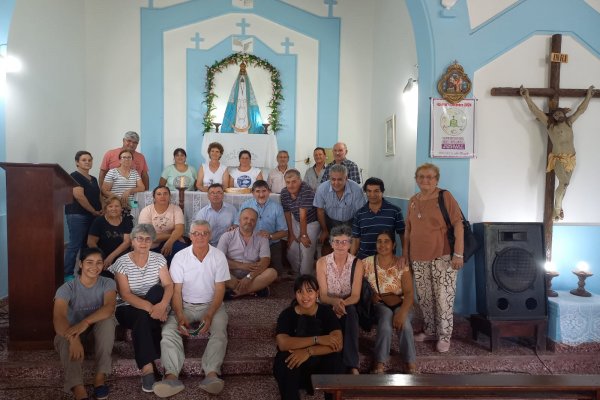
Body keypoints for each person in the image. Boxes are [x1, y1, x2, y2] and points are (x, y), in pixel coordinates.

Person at [153, 220, 230, 397]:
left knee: (219, 332)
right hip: (185, 304)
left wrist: (210, 315)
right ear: (190, 235)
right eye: (196, 233)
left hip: (212, 305)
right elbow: (176, 290)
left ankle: (211, 374)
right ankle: (171, 376)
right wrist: (179, 315)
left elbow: (220, 289)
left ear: (210, 235)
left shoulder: (218, 256)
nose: (200, 237)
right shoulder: (180, 257)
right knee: (169, 331)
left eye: (204, 233)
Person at [403, 163, 463, 353]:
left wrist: (458, 254)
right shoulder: (413, 200)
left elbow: (458, 224)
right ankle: (430, 330)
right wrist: (405, 254)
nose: (425, 180)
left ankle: (445, 335)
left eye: (429, 177)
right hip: (418, 258)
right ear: (416, 179)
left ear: (436, 179)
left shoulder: (444, 196)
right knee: (425, 298)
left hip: (443, 257)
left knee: (443, 298)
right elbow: (408, 230)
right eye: (421, 177)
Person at [108, 224, 174, 392]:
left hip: (152, 304)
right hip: (126, 308)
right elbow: (125, 294)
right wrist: (154, 309)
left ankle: (148, 368)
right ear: (133, 241)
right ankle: (147, 367)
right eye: (139, 239)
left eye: (147, 239)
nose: (143, 243)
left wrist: (164, 305)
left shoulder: (158, 259)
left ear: (152, 242)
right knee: (140, 316)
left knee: (158, 289)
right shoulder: (121, 262)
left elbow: (168, 285)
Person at [520, 85, 595, 220]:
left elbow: (581, 110)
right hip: (559, 159)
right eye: (555, 114)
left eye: (560, 113)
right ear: (552, 117)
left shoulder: (569, 122)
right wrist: (526, 97)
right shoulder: (550, 125)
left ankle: (558, 210)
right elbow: (536, 111)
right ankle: (557, 209)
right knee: (564, 183)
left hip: (571, 159)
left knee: (564, 186)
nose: (558, 115)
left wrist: (589, 95)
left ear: (564, 114)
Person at [53, 247, 117, 400]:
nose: (94, 267)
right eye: (89, 262)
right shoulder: (66, 288)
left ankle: (99, 380)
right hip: (73, 337)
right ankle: (78, 389)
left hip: (99, 338)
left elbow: (109, 308)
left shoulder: (108, 283)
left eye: (99, 263)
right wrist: (73, 338)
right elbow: (59, 318)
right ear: (81, 264)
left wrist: (85, 322)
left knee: (108, 321)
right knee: (63, 336)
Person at [273, 274, 343, 400]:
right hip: (296, 370)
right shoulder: (287, 314)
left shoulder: (326, 312)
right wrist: (317, 339)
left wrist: (308, 351)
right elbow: (283, 343)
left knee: (334, 358)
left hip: (320, 368)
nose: (305, 296)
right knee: (285, 358)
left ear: (317, 293)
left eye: (309, 291)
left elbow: (337, 344)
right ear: (295, 295)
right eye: (300, 292)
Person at [362, 231, 416, 374]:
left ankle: (410, 363)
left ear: (394, 245)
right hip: (379, 304)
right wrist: (370, 296)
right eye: (379, 241)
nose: (382, 244)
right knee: (385, 323)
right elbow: (359, 286)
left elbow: (410, 293)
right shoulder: (366, 263)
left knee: (404, 324)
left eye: (387, 241)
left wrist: (403, 312)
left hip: (401, 303)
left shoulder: (401, 264)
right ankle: (379, 363)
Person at [315, 224, 364, 374]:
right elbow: (323, 295)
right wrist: (335, 303)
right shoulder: (322, 262)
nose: (340, 245)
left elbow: (355, 295)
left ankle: (352, 364)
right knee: (327, 315)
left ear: (350, 244)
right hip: (327, 302)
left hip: (348, 303)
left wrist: (341, 304)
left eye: (344, 242)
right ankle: (330, 361)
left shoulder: (357, 263)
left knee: (351, 314)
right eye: (336, 241)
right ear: (331, 243)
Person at [217, 207, 277, 298]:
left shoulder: (262, 237)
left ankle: (235, 293)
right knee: (215, 272)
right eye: (246, 218)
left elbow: (265, 261)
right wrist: (241, 265)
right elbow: (218, 260)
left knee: (272, 273)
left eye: (252, 220)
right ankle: (255, 290)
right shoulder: (226, 236)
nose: (249, 222)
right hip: (231, 275)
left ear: (256, 222)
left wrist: (249, 277)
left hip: (253, 275)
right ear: (239, 219)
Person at [64, 150, 103, 280]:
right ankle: (68, 274)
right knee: (75, 244)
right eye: (84, 160)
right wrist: (93, 210)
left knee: (86, 245)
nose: (87, 162)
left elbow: (98, 196)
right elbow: (79, 196)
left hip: (93, 215)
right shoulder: (74, 176)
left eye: (89, 160)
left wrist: (101, 209)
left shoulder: (94, 179)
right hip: (77, 215)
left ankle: (83, 272)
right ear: (77, 162)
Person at [235, 180, 288, 276]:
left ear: (269, 191)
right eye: (258, 191)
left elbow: (284, 232)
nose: (261, 194)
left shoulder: (277, 207)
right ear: (252, 193)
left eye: (264, 191)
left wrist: (270, 236)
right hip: (250, 244)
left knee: (276, 274)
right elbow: (237, 224)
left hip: (272, 244)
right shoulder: (246, 205)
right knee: (249, 271)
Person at [314, 164, 365, 256]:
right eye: (333, 179)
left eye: (340, 179)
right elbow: (320, 210)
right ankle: (326, 269)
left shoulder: (356, 189)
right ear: (329, 178)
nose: (336, 183)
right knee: (327, 246)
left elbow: (360, 213)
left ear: (346, 178)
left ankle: (348, 267)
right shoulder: (322, 189)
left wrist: (357, 233)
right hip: (330, 221)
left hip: (351, 221)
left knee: (350, 247)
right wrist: (324, 230)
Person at [351, 177, 405, 259]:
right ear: (365, 192)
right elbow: (355, 240)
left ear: (382, 191)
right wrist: (350, 260)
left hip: (387, 260)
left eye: (376, 191)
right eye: (369, 191)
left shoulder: (394, 211)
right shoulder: (359, 214)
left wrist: (405, 255)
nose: (372, 195)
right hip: (364, 260)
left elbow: (403, 235)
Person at [281, 169, 319, 276]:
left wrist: (303, 235)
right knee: (291, 247)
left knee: (306, 247)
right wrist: (291, 234)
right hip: (297, 221)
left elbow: (303, 215)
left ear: (300, 180)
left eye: (294, 182)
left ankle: (305, 277)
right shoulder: (284, 192)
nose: (291, 185)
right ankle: (297, 272)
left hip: (312, 222)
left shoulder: (306, 189)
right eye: (288, 182)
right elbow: (287, 213)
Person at [137, 185, 187, 265]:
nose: (162, 196)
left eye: (165, 193)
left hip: (172, 241)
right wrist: (173, 235)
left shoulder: (176, 209)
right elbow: (149, 236)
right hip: (151, 244)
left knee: (182, 251)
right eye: (159, 194)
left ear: (169, 196)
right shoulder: (146, 211)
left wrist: (169, 242)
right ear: (154, 197)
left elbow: (180, 229)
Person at [87, 196, 133, 276]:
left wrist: (111, 257)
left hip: (122, 256)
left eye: (117, 206)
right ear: (106, 209)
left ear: (121, 208)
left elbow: (127, 242)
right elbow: (91, 242)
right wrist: (100, 258)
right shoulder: (99, 221)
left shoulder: (127, 220)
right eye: (110, 206)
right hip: (103, 256)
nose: (114, 209)